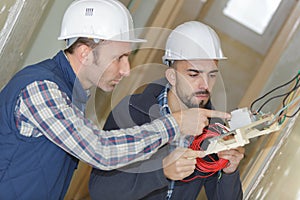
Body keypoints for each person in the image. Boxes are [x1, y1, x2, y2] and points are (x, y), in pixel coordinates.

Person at [0, 1, 231, 199]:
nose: (126, 70)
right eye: (119, 58)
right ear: (85, 53)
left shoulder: (70, 95)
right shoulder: (40, 89)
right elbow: (100, 151)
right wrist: (176, 124)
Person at [89, 21, 244, 200]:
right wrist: (161, 171)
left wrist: (229, 172)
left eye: (212, 75)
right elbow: (100, 190)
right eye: (194, 74)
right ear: (172, 76)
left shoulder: (213, 131)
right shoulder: (131, 111)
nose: (205, 85)